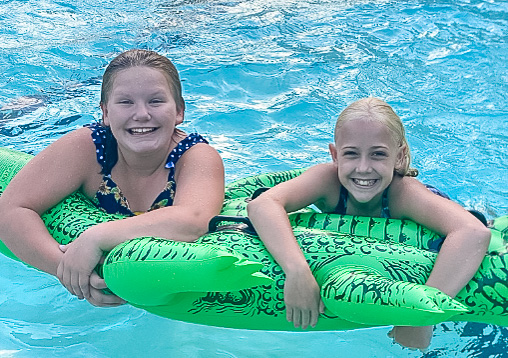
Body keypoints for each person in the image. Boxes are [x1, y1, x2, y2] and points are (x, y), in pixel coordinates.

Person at [247, 97, 491, 350]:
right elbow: (263, 205)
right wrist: (297, 271)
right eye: (351, 154)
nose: (363, 168)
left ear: (399, 156)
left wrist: (420, 319)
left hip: (437, 220)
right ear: (335, 155)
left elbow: (473, 231)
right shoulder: (327, 182)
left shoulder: (404, 194)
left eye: (378, 155)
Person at [0, 49, 225, 307]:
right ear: (105, 113)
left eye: (156, 101)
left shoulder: (196, 157)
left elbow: (194, 220)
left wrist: (96, 238)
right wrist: (68, 269)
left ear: (179, 111)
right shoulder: (88, 148)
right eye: (125, 102)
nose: (141, 114)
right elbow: (11, 209)